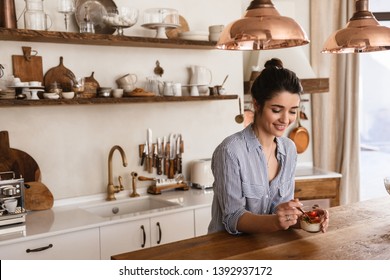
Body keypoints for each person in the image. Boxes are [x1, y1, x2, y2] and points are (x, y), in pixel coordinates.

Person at [208, 58, 329, 235]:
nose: (285, 119)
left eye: (293, 111)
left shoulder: (289, 149)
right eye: (276, 110)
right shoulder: (230, 151)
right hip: (228, 252)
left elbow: (280, 214)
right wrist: (276, 222)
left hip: (267, 246)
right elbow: (233, 218)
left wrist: (306, 218)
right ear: (257, 104)